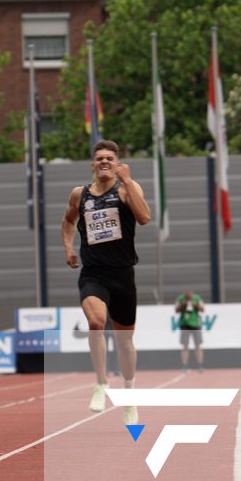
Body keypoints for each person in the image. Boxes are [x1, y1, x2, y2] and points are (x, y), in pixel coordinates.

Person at [61, 139, 152, 425]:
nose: (104, 161)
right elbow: (68, 221)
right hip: (93, 273)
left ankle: (129, 394)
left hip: (123, 275)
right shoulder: (80, 194)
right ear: (93, 163)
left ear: (117, 163)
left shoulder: (128, 188)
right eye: (99, 157)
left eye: (109, 158)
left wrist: (127, 181)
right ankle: (101, 382)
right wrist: (68, 246)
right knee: (97, 321)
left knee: (125, 343)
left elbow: (145, 218)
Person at [174, 291, 206, 372]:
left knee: (198, 346)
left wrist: (194, 304)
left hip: (195, 324)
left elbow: (202, 309)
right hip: (185, 324)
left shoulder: (197, 298)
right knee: (185, 346)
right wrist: (184, 304)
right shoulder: (180, 298)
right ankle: (184, 365)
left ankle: (200, 365)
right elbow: (176, 310)